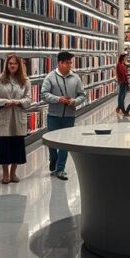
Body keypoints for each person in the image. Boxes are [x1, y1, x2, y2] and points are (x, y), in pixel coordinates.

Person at [41, 51, 87, 180]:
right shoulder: (50, 77)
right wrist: (58, 99)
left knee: (65, 143)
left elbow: (82, 95)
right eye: (67, 62)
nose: (70, 65)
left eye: (70, 62)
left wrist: (74, 101)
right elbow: (44, 94)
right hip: (53, 115)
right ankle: (53, 159)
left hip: (69, 116)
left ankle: (60, 169)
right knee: (52, 142)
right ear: (60, 63)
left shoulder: (76, 78)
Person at [0, 53, 32, 184]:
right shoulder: (0, 79)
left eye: (15, 63)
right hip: (5, 117)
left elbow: (28, 99)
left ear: (19, 65)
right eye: (10, 63)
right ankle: (5, 174)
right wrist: (4, 101)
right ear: (7, 65)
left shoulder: (25, 81)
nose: (12, 65)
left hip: (18, 117)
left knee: (17, 147)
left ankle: (13, 173)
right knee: (4, 147)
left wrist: (18, 102)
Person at [115, 53, 129, 117]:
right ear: (123, 58)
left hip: (124, 81)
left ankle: (119, 107)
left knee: (122, 95)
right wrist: (127, 75)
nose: (126, 58)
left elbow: (125, 73)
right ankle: (123, 110)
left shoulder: (122, 64)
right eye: (126, 57)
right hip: (122, 82)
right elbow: (123, 73)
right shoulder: (119, 64)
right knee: (121, 96)